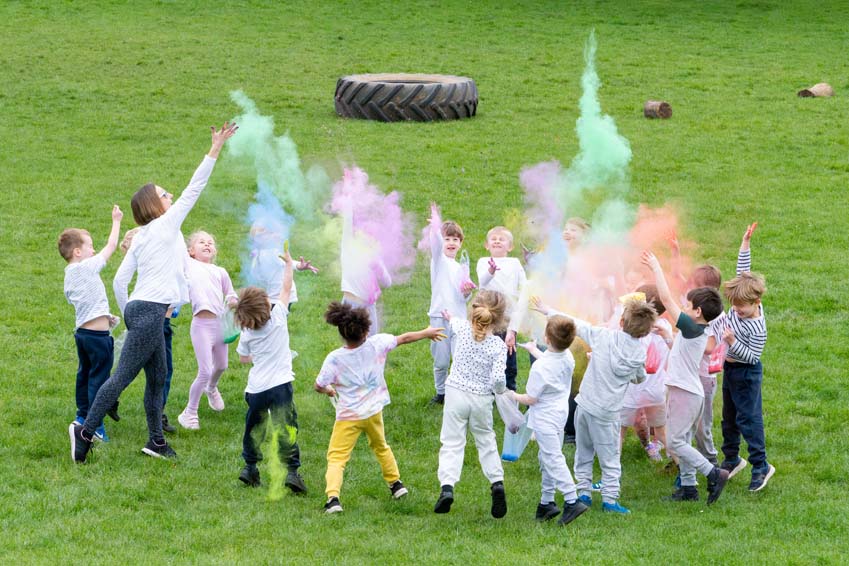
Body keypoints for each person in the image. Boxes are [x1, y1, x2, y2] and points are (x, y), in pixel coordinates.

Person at [69, 122, 238, 463]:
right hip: (148, 311)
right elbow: (194, 188)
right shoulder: (164, 225)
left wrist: (130, 310)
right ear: (154, 205)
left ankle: (156, 441)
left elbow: (119, 279)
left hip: (144, 310)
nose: (170, 196)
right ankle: (84, 431)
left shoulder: (145, 235)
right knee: (122, 378)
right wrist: (215, 148)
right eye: (164, 194)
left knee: (158, 377)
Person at [315, 302, 445, 514]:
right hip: (374, 412)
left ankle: (333, 499)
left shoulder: (335, 359)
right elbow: (404, 338)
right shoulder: (377, 344)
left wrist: (329, 390)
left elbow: (318, 385)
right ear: (366, 331)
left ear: (341, 333)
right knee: (381, 446)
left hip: (349, 416)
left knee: (337, 457)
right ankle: (396, 485)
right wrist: (426, 332)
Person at [532, 295, 656, 514]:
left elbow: (576, 325)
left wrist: (547, 310)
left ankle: (584, 493)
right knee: (610, 458)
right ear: (646, 331)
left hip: (585, 404)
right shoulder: (638, 353)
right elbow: (639, 378)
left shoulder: (604, 337)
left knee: (584, 452)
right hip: (607, 413)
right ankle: (609, 499)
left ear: (621, 322)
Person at [641, 251, 730, 504]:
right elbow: (682, 354)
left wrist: (656, 267)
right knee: (684, 438)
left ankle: (714, 474)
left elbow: (667, 300)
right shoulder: (695, 331)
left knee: (676, 442)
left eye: (688, 306)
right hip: (688, 392)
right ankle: (689, 488)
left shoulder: (693, 327)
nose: (684, 308)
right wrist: (669, 337)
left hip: (684, 393)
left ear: (698, 311)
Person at [233, 248, 306, 493]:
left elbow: (243, 359)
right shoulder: (278, 317)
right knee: (286, 427)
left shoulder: (246, 332)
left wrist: (257, 356)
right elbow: (286, 288)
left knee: (254, 428)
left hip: (255, 390)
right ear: (266, 305)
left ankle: (250, 468)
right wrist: (288, 263)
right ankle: (293, 473)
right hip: (280, 386)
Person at [433, 290, 509, 519]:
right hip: (481, 399)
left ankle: (447, 488)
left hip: (456, 392)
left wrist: (448, 316)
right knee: (486, 440)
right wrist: (501, 392)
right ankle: (496, 483)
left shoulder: (462, 329)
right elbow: (497, 379)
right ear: (498, 319)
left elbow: (454, 322)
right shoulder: (498, 346)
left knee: (452, 442)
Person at [511, 315, 589, 526]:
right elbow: (549, 361)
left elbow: (531, 399)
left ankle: (571, 500)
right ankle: (547, 503)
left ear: (547, 338)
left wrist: (512, 396)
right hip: (560, 414)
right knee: (546, 458)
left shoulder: (540, 368)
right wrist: (533, 350)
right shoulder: (568, 357)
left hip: (545, 418)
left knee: (552, 458)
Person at [59, 205, 123, 441]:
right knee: (99, 379)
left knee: (84, 376)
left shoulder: (69, 275)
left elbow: (86, 303)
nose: (94, 249)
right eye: (89, 245)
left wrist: (106, 316)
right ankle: (94, 426)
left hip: (83, 335)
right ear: (77, 252)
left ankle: (82, 416)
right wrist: (116, 221)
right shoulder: (85, 268)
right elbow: (111, 247)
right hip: (98, 339)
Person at [718, 223, 774, 491]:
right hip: (729, 371)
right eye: (733, 306)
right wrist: (745, 242)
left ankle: (761, 466)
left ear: (757, 302)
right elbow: (743, 269)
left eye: (741, 308)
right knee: (728, 417)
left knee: (748, 420)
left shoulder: (757, 327)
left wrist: (732, 342)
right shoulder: (742, 296)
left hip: (746, 373)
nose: (736, 310)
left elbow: (752, 356)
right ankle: (731, 458)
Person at [119, 227, 178, 433]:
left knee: (160, 372)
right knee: (139, 372)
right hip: (153, 324)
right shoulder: (149, 278)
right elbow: (119, 283)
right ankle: (102, 408)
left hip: (162, 324)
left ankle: (157, 429)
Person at [177, 231, 238, 430]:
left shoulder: (220, 271)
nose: (207, 244)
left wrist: (232, 300)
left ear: (215, 251)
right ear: (191, 251)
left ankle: (211, 389)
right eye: (201, 242)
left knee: (221, 365)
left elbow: (230, 293)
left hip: (219, 325)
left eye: (210, 243)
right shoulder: (189, 264)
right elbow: (175, 241)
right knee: (204, 370)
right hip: (201, 325)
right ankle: (190, 412)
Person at [425, 205, 474, 405]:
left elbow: (463, 298)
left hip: (459, 318)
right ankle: (441, 393)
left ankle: (461, 391)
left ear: (460, 243)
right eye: (448, 239)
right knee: (442, 360)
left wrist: (467, 291)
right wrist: (436, 227)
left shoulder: (462, 266)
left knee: (460, 357)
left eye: (455, 239)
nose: (451, 243)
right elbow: (435, 246)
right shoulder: (439, 261)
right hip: (438, 316)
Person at [619, 284, 671, 461]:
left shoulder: (634, 333)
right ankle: (679, 464)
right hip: (656, 391)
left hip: (632, 392)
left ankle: (611, 467)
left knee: (619, 431)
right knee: (661, 431)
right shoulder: (665, 327)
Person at [476, 226, 527, 391]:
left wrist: (514, 328)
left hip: (508, 318)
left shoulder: (514, 263)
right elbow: (482, 283)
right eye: (493, 239)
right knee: (487, 356)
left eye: (501, 239)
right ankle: (487, 392)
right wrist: (491, 271)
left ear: (510, 247)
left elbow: (524, 288)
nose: (497, 241)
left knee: (509, 359)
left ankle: (510, 392)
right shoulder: (483, 262)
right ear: (487, 245)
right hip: (488, 318)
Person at [339, 202, 391, 335]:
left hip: (369, 306)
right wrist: (348, 193)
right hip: (351, 305)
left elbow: (388, 282)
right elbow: (347, 219)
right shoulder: (348, 248)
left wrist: (379, 269)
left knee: (372, 344)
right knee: (353, 343)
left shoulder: (375, 258)